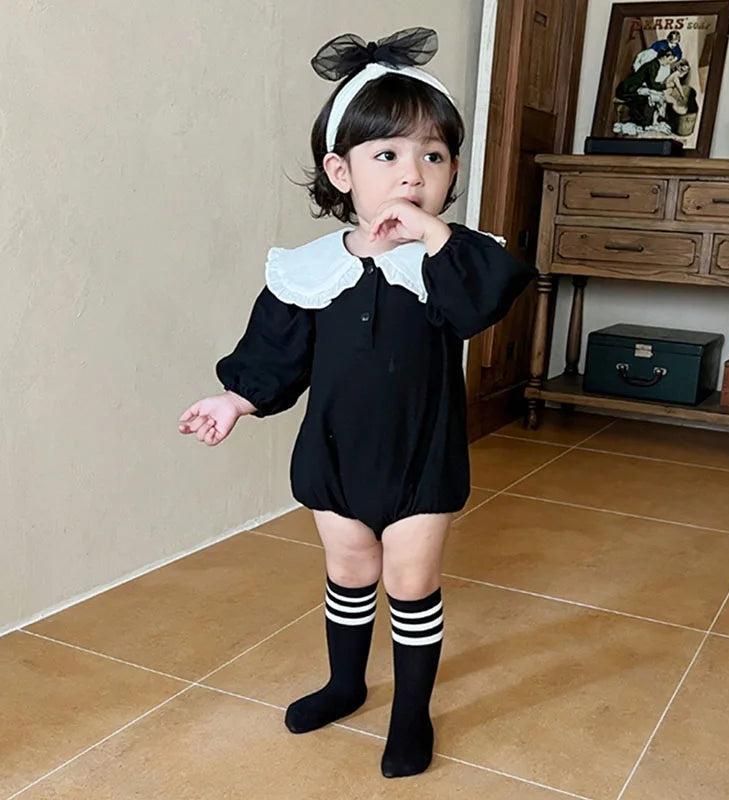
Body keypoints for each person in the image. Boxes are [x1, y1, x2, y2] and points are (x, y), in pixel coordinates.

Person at [178, 27, 533, 779]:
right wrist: (235, 400)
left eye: (432, 157)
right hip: (335, 454)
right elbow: (277, 350)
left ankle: (411, 715)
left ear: (453, 170)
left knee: (411, 583)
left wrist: (433, 234)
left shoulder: (453, 261)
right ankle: (346, 683)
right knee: (348, 571)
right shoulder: (310, 270)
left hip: (420, 456)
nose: (412, 175)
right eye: (388, 156)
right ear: (340, 172)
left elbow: (484, 299)